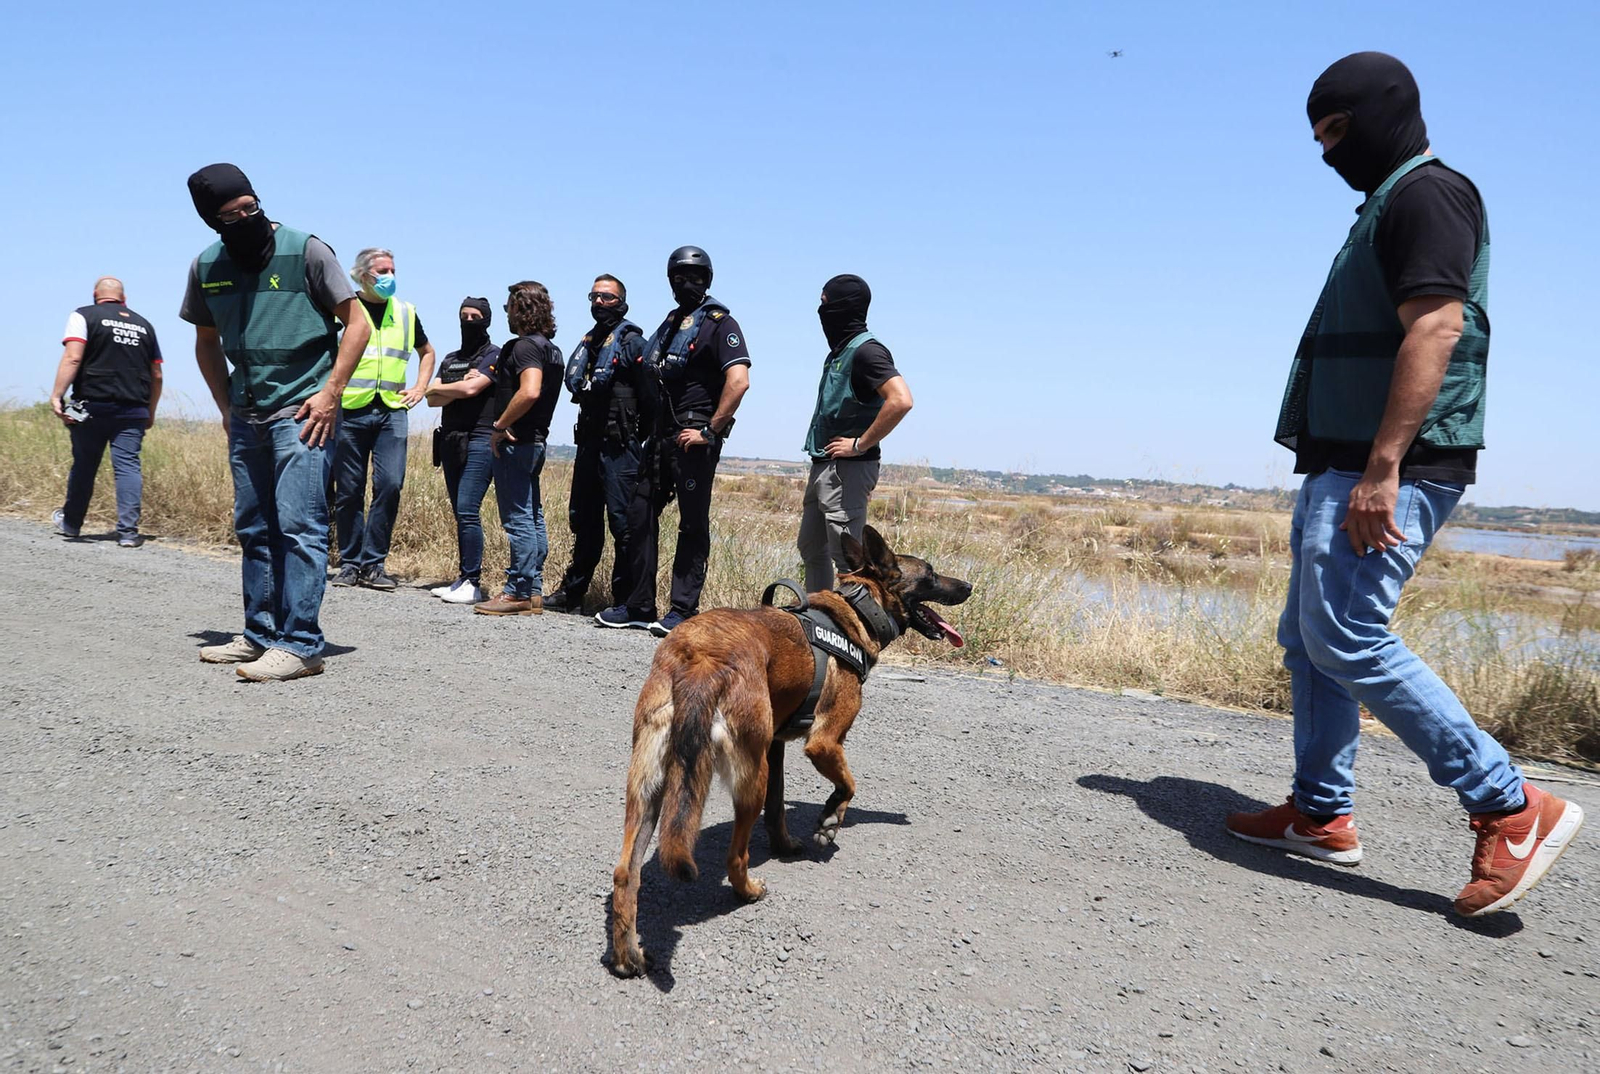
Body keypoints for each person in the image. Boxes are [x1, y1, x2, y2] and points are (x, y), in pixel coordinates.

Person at [1226, 53, 1582, 916]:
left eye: (1337, 130)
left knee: (1347, 636)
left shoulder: (1428, 195)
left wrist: (1384, 467)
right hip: (1344, 461)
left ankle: (1509, 803)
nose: (1326, 151)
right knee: (1309, 642)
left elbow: (1437, 328)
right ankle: (1321, 813)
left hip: (1389, 467)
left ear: (1385, 112)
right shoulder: (1385, 203)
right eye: (1317, 137)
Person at [181, 163, 371, 682]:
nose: (246, 218)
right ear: (212, 222)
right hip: (247, 415)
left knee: (300, 526)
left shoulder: (306, 250)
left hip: (303, 413)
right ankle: (260, 634)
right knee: (255, 527)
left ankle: (302, 643)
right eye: (231, 214)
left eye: (251, 207)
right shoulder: (207, 264)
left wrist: (331, 393)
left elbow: (359, 323)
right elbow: (205, 342)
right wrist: (225, 409)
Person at [597, 246, 750, 636]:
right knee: (639, 513)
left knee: (691, 524)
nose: (687, 283)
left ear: (708, 279)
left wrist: (709, 431)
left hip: (695, 437)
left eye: (695, 277)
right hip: (662, 436)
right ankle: (639, 605)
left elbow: (739, 381)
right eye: (679, 277)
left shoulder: (721, 324)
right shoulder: (671, 324)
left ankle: (682, 610)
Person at [797, 274, 913, 593]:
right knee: (811, 548)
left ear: (843, 307)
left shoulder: (867, 352)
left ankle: (851, 633)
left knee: (850, 563)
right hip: (825, 465)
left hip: (846, 470)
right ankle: (818, 619)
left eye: (825, 303)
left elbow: (901, 400)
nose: (821, 311)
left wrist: (860, 444)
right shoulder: (840, 353)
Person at [542, 274, 650, 614]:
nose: (600, 303)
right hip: (589, 445)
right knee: (584, 520)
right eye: (595, 297)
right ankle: (572, 594)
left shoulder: (633, 342)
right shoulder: (590, 342)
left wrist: (638, 435)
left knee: (623, 525)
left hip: (621, 448)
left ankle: (625, 600)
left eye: (608, 297)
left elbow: (651, 395)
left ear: (623, 302)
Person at [329, 248, 435, 590]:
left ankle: (374, 564)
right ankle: (349, 562)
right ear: (362, 275)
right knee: (348, 491)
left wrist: (420, 386)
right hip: (349, 408)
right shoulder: (342, 310)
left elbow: (427, 351)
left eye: (393, 269)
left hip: (391, 409)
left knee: (390, 484)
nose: (390, 276)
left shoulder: (405, 312)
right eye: (382, 271)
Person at [49, 276, 164, 547]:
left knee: (85, 465)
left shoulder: (83, 315)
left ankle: (72, 524)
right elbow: (156, 374)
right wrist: (151, 410)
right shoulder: (144, 325)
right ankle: (127, 533)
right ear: (124, 299)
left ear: (95, 295)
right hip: (133, 410)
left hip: (91, 406)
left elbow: (73, 356)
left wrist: (57, 394)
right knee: (127, 467)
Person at [473, 281, 563, 616]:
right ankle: (534, 589)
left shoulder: (525, 347)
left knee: (518, 519)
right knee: (533, 516)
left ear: (521, 307)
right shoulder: (551, 349)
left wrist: (499, 426)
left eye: (510, 305)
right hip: (535, 442)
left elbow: (530, 391)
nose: (506, 311)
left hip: (516, 443)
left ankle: (518, 590)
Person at [423, 297, 498, 605]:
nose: (469, 321)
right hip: (451, 440)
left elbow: (470, 389)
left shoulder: (494, 353)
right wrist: (445, 388)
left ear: (486, 320)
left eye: (476, 316)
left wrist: (447, 387)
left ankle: (473, 582)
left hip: (481, 439)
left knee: (468, 508)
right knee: (459, 512)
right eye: (464, 315)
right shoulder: (452, 357)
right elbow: (431, 398)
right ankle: (463, 578)